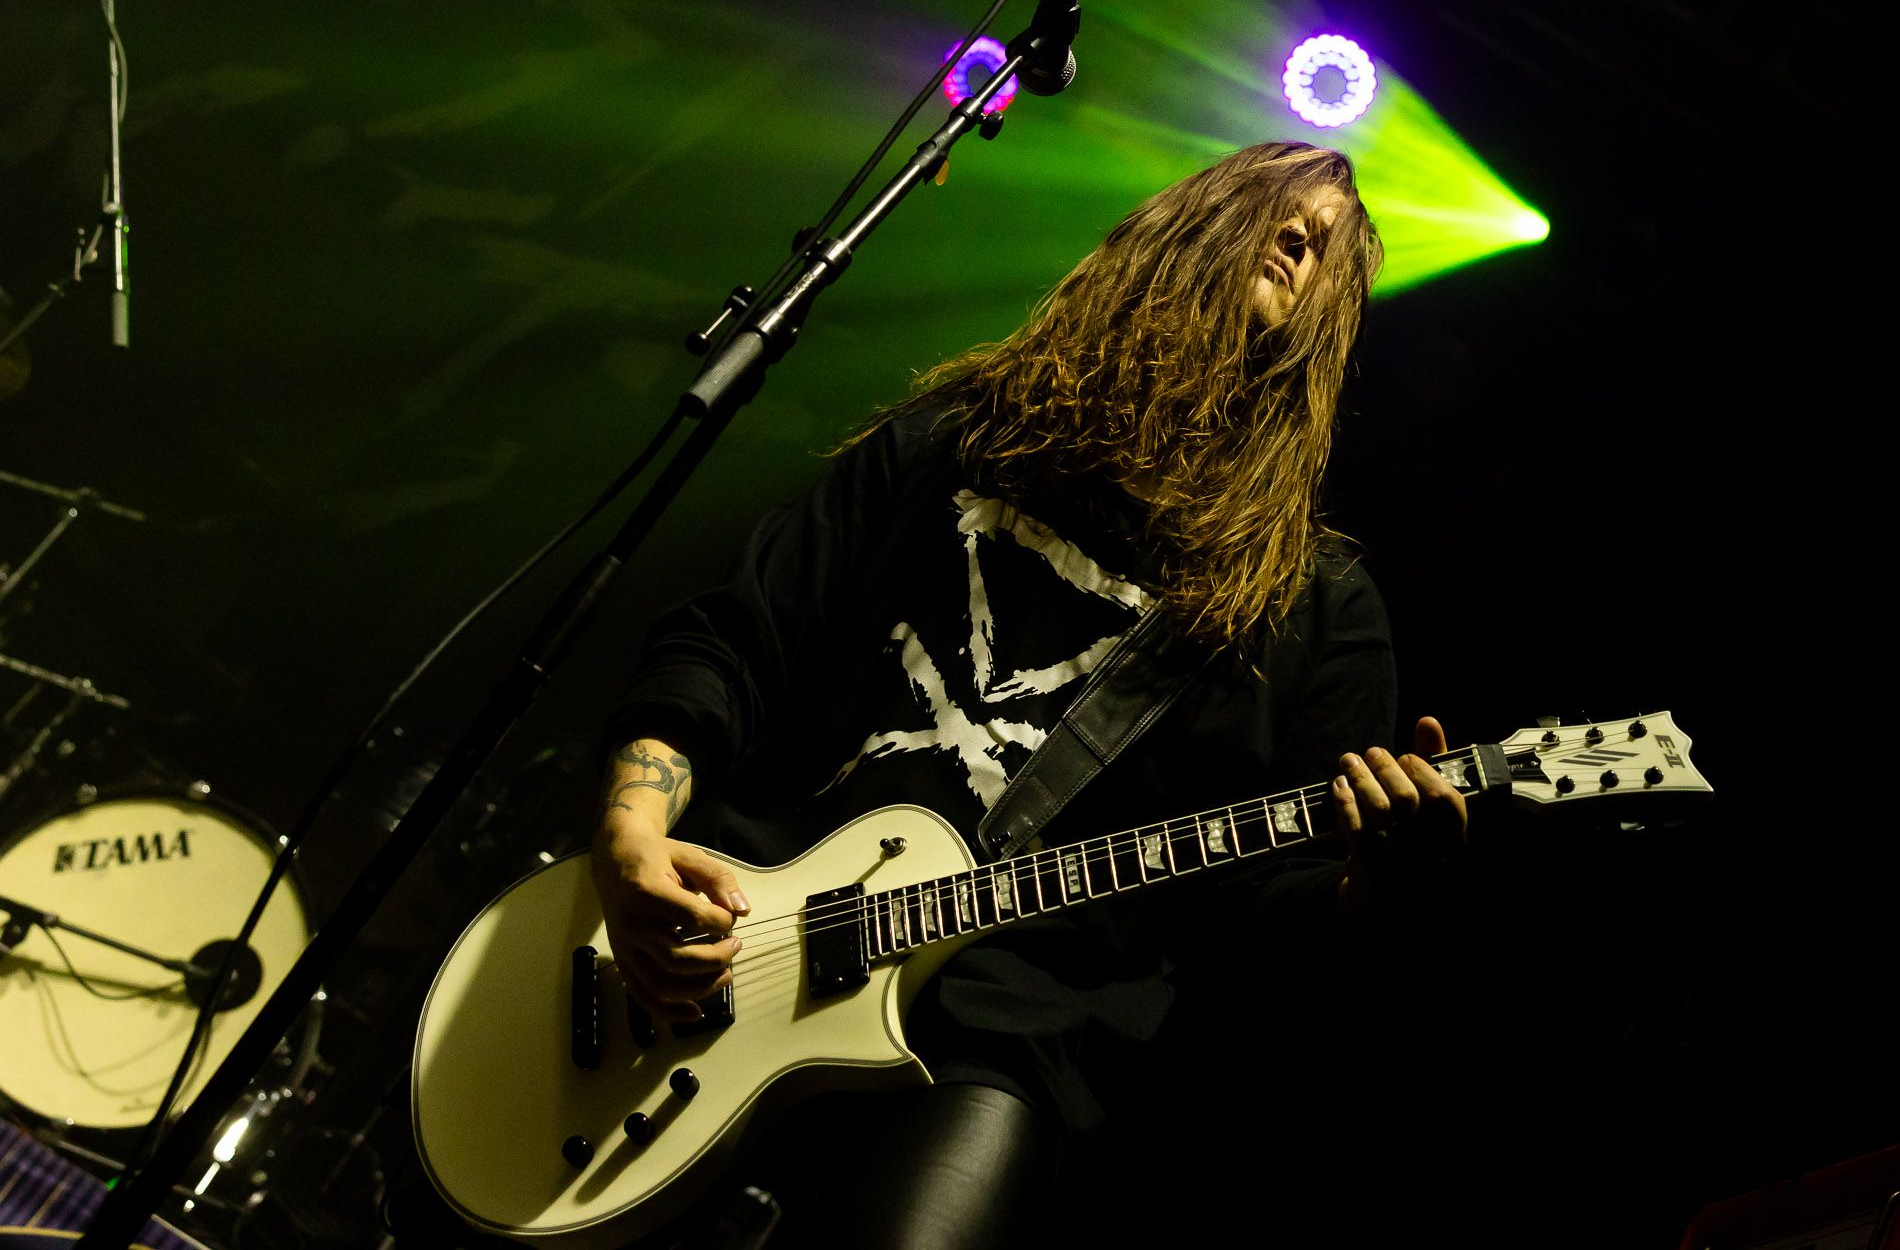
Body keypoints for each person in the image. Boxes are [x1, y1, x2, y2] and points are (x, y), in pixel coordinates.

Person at [591, 141, 1468, 1247]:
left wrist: (1369, 893)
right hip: (731, 940)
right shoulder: (961, 435)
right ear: (1183, 232)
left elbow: (1258, 921)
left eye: (1329, 250)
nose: (1305, 235)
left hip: (998, 1039)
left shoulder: (1316, 607)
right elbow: (737, 638)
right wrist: (631, 831)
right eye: (1276, 212)